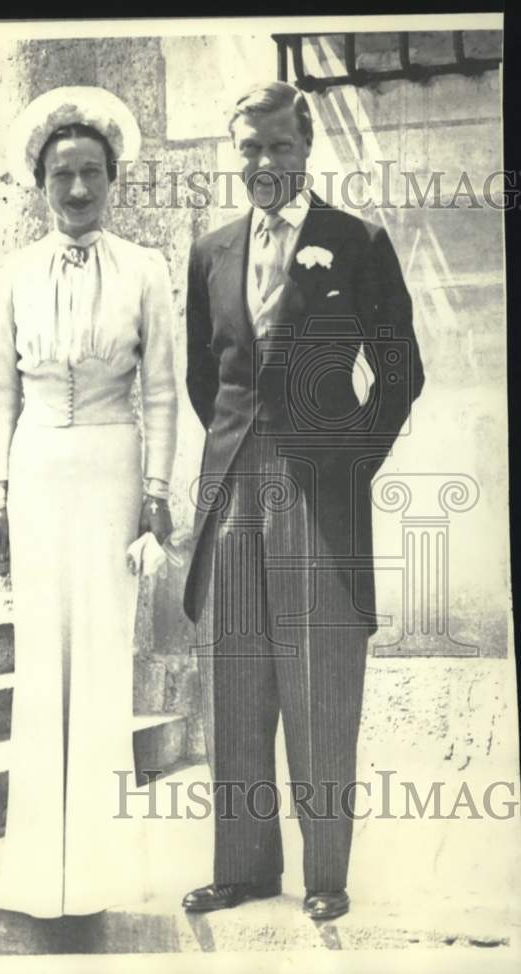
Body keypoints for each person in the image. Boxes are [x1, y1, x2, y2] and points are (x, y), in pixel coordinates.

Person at [181, 81, 425, 920]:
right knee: (236, 682)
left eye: (278, 147)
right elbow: (202, 377)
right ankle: (243, 868)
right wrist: (235, 455)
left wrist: (346, 462)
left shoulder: (355, 242)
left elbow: (399, 375)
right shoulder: (210, 251)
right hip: (231, 488)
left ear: (306, 148)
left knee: (320, 683)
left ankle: (326, 878)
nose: (262, 164)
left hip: (318, 493)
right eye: (248, 148)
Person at [0, 86, 177, 918]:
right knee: (41, 666)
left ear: (112, 178)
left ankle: (95, 875)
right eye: (62, 176)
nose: (78, 192)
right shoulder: (13, 273)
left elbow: (162, 393)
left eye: (92, 173)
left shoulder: (145, 269)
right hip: (35, 474)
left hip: (110, 470)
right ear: (39, 183)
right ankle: (35, 877)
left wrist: (157, 495)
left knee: (100, 666)